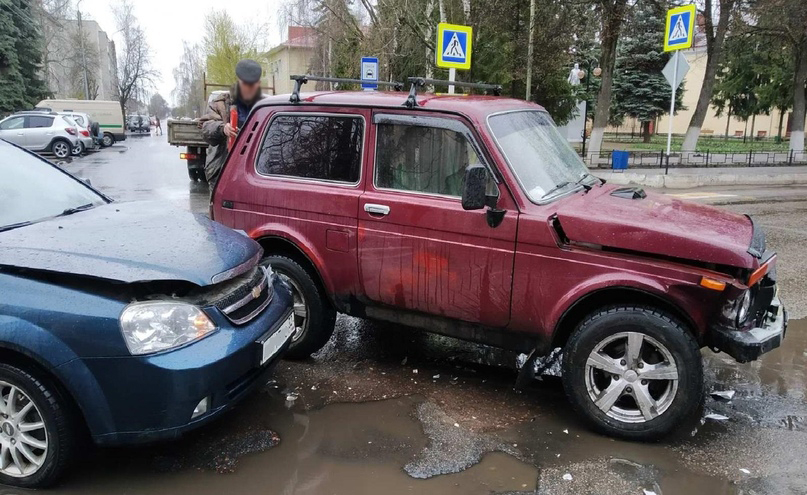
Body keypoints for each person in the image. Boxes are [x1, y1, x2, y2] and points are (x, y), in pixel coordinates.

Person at [199, 59, 264, 190]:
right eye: (246, 84)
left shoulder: (264, 105)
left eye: (253, 85)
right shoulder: (221, 103)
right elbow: (206, 127)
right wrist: (223, 129)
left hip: (254, 172)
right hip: (222, 171)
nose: (249, 89)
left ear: (258, 84)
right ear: (239, 82)